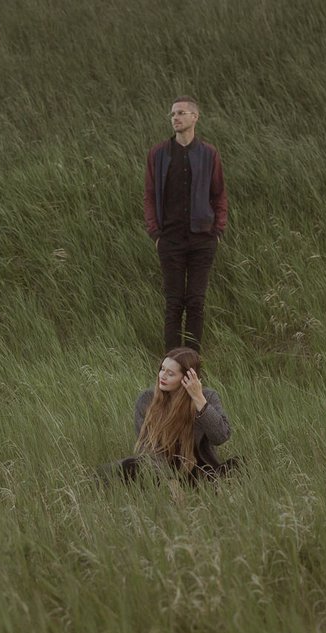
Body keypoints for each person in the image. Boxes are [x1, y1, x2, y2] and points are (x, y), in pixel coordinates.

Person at [144, 96, 228, 353]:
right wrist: (155, 232)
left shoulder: (208, 154)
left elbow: (219, 194)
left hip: (202, 239)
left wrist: (218, 231)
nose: (175, 118)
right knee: (173, 303)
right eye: (172, 114)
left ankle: (192, 366)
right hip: (169, 239)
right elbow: (149, 195)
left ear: (194, 117)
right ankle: (170, 365)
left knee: (195, 302)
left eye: (181, 113)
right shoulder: (159, 154)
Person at [98, 347, 238, 485]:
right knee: (126, 467)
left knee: (239, 464)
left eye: (170, 373)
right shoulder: (147, 399)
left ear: (187, 378)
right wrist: (169, 482)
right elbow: (148, 448)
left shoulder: (207, 396)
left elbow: (220, 437)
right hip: (158, 470)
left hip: (198, 469)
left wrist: (199, 399)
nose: (162, 376)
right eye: (162, 369)